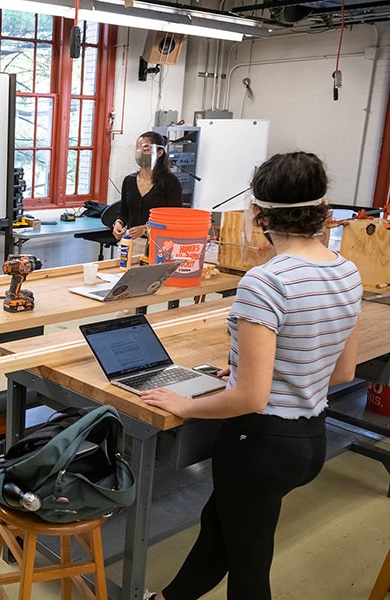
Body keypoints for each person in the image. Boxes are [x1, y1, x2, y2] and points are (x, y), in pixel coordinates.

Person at [140, 151, 362, 600]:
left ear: (257, 213)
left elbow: (251, 398)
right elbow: (342, 370)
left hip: (259, 444)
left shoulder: (266, 281)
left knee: (250, 567)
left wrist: (187, 404)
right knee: (221, 530)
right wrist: (250, 364)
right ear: (321, 208)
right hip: (309, 440)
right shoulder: (347, 270)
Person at [112, 131, 182, 242]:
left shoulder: (170, 182)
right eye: (137, 149)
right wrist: (118, 223)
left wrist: (146, 228)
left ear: (159, 153)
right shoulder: (129, 181)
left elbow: (174, 218)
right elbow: (123, 213)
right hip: (131, 241)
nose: (140, 153)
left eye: (145, 149)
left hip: (158, 242)